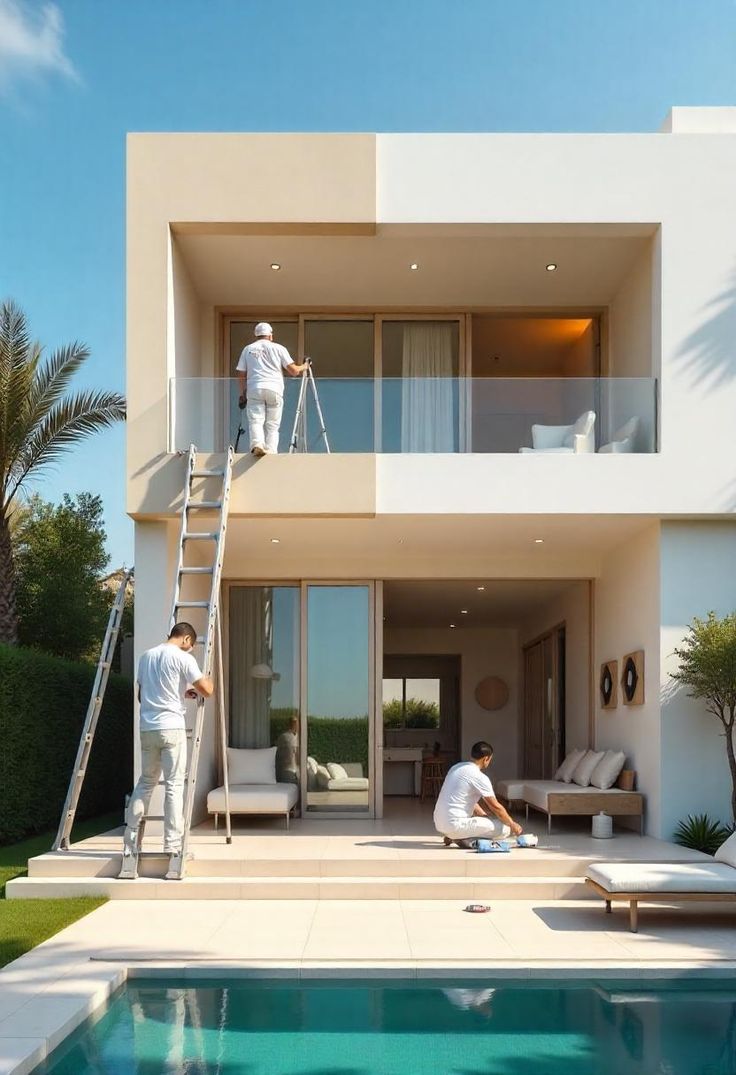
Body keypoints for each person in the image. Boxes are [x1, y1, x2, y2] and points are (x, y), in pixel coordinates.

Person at [122, 622, 214, 876]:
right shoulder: (182, 657)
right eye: (191, 645)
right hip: (171, 727)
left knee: (145, 783)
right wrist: (207, 679)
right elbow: (207, 689)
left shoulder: (147, 656)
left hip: (148, 729)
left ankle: (130, 847)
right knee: (174, 785)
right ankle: (173, 848)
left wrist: (178, 694)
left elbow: (143, 696)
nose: (191, 649)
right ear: (185, 639)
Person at [236, 322, 309, 457]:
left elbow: (241, 374)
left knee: (256, 420)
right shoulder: (279, 348)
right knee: (273, 424)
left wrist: (242, 393)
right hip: (274, 388)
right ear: (270, 335)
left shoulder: (248, 349)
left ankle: (257, 444)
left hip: (255, 388)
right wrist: (304, 366)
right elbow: (293, 371)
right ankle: (271, 450)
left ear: (256, 335)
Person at [433, 740, 522, 847]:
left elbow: (471, 803)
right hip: (455, 824)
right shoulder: (480, 777)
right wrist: (512, 824)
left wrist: (484, 817)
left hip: (439, 823)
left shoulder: (456, 767)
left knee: (485, 822)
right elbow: (495, 806)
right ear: (486, 758)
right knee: (505, 829)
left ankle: (454, 835)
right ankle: (462, 838)